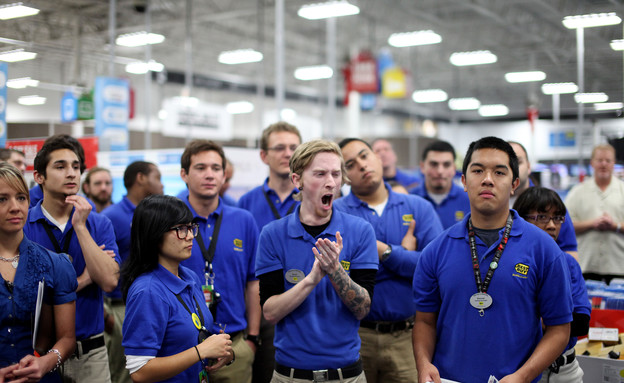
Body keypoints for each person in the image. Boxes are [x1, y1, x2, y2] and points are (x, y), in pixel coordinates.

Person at [412, 136, 572, 383]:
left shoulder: (544, 249)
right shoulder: (436, 250)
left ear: (514, 184)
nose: (487, 179)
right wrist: (423, 365)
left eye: (499, 172)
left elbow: (559, 329)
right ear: (464, 181)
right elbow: (424, 321)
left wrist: (522, 376)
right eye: (477, 171)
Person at [256, 139, 378, 383]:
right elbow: (270, 313)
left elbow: (363, 309)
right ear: (297, 180)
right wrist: (311, 280)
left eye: (336, 174)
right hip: (290, 376)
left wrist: (335, 271)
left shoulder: (360, 231)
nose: (331, 182)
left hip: (347, 375)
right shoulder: (273, 234)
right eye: (320, 174)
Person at [336, 138, 443, 383]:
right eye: (351, 164)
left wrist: (384, 251)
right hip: (354, 337)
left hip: (408, 338)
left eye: (364, 156)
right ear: (344, 175)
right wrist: (405, 257)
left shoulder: (419, 208)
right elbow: (338, 274)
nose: (362, 165)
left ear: (377, 156)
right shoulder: (337, 213)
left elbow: (435, 270)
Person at [24, 134, 120, 383]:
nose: (71, 173)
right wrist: (85, 279)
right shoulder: (23, 224)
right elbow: (27, 291)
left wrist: (80, 226)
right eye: (60, 166)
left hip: (90, 353)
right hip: (36, 355)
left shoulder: (99, 223)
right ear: (39, 177)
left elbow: (109, 281)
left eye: (76, 167)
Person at [121, 194, 233, 383]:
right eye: (180, 229)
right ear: (154, 234)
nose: (190, 236)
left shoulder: (189, 276)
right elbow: (139, 371)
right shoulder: (148, 291)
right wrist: (201, 351)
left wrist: (218, 350)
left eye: (191, 228)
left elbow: (186, 339)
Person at [179, 139, 260, 383]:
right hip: (182, 349)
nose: (209, 175)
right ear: (184, 174)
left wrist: (252, 340)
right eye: (201, 168)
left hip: (232, 345)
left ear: (224, 175)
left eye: (216, 168)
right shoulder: (170, 219)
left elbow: (253, 281)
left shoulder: (243, 220)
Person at [0, 163, 77, 383]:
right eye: (2, 199)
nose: (15, 207)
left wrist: (46, 361)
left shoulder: (54, 264)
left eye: (21, 197)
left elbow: (67, 338)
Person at [238, 122, 302, 383]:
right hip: (263, 309)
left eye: (294, 147)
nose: (287, 153)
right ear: (264, 155)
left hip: (307, 303)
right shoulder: (247, 203)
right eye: (279, 148)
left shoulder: (315, 199)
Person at [513, 187, 591, 383]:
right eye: (541, 217)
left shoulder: (567, 263)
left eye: (557, 218)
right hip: (519, 370)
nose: (551, 225)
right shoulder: (506, 263)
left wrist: (536, 320)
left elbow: (580, 322)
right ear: (519, 219)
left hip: (564, 371)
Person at [101, 161, 163, 383]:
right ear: (141, 178)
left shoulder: (154, 214)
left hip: (154, 302)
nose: (162, 185)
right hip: (121, 305)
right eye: (158, 177)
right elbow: (96, 265)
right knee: (125, 373)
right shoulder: (112, 217)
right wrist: (105, 312)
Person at [508, 141, 578, 259]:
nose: (513, 168)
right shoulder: (488, 205)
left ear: (529, 167)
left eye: (518, 162)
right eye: (506, 164)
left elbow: (570, 252)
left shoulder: (551, 204)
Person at [565, 144, 624, 283]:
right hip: (585, 266)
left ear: (613, 163)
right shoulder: (577, 192)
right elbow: (564, 225)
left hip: (619, 267)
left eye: (608, 161)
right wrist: (592, 224)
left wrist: (614, 226)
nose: (603, 164)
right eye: (599, 160)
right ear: (592, 163)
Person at [409, 140, 470, 229]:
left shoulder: (469, 201)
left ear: (454, 168)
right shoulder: (409, 199)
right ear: (422, 167)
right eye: (434, 164)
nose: (440, 171)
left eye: (446, 165)